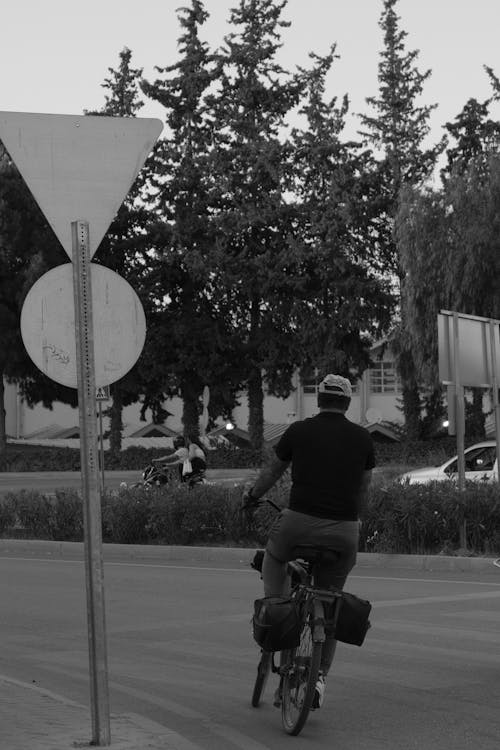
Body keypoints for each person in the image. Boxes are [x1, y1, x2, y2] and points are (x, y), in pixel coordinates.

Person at [242, 373, 375, 709]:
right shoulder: (363, 439)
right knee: (330, 606)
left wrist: (252, 496)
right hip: (344, 532)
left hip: (296, 525)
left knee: (274, 558)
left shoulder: (299, 431)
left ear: (319, 400)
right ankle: (317, 678)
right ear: (346, 403)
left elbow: (273, 472)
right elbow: (363, 490)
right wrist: (352, 522)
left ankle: (277, 608)